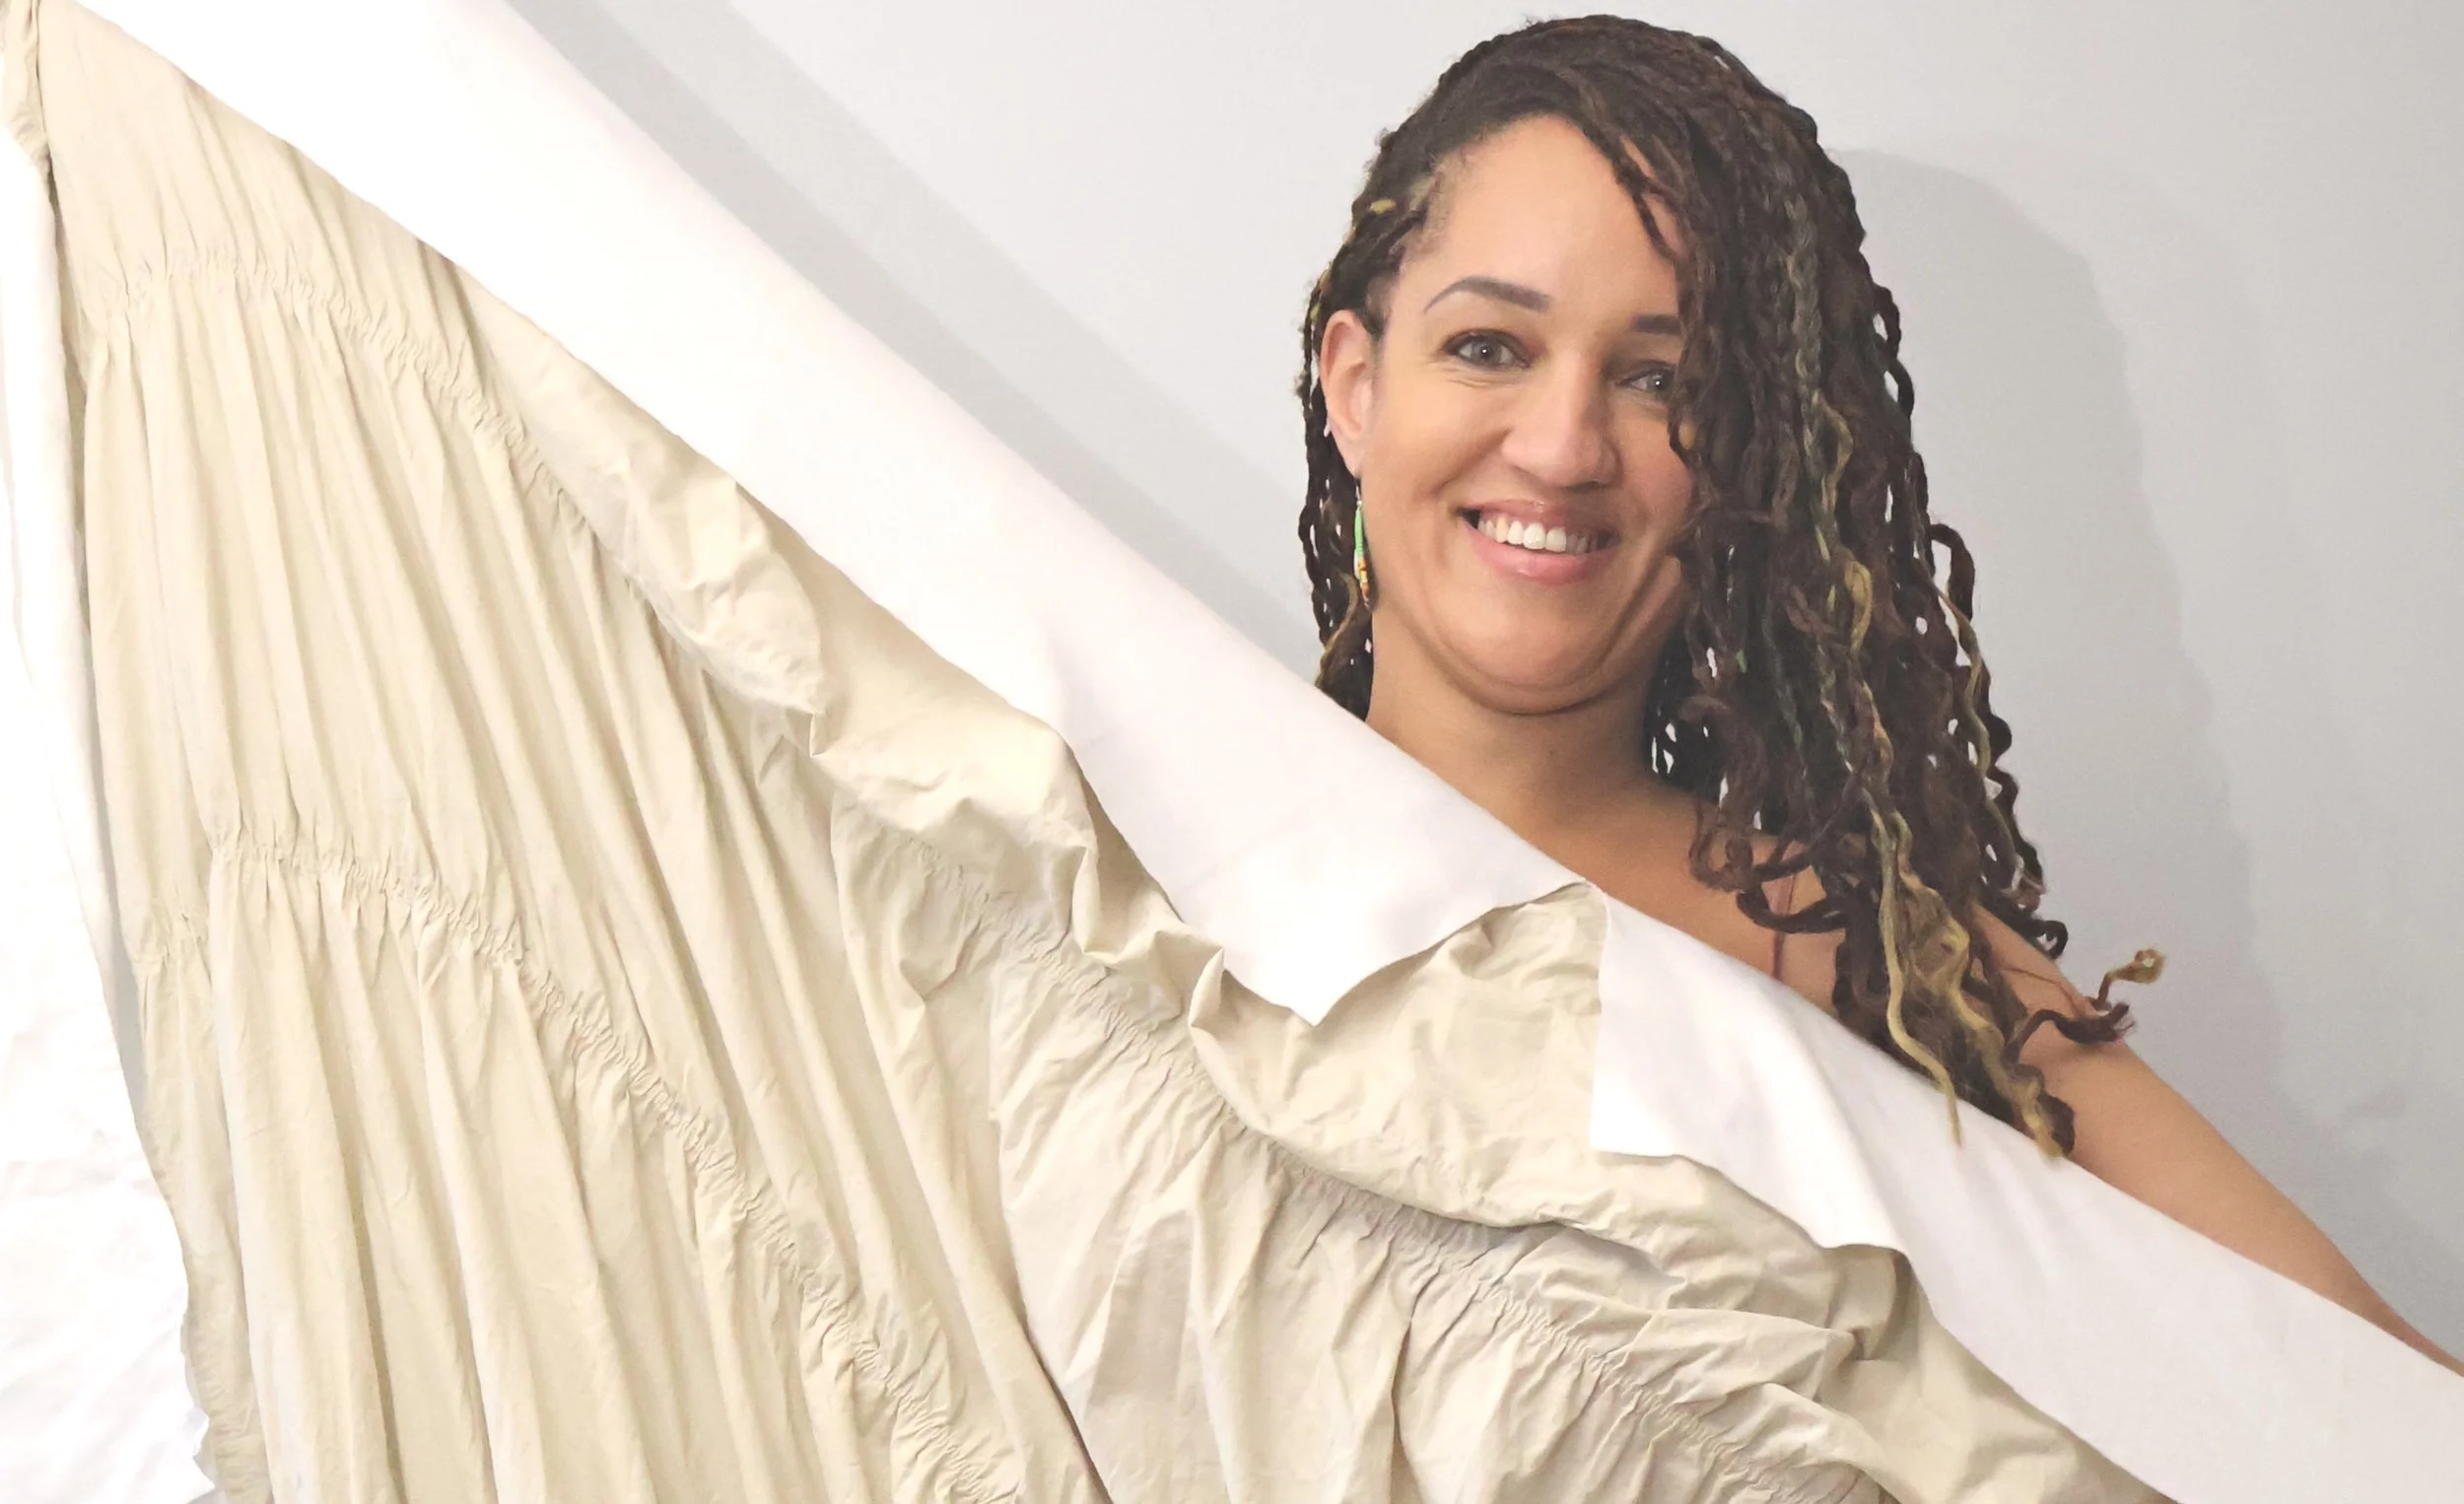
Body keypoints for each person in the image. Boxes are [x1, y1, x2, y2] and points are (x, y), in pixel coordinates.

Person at [1293, 13, 2460, 1375]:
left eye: (1664, 379)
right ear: (1356, 386)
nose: (1560, 447)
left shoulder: (1879, 963)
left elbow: (2377, 1399)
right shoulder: (1144, 840)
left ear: (1747, 465)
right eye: (1491, 345)